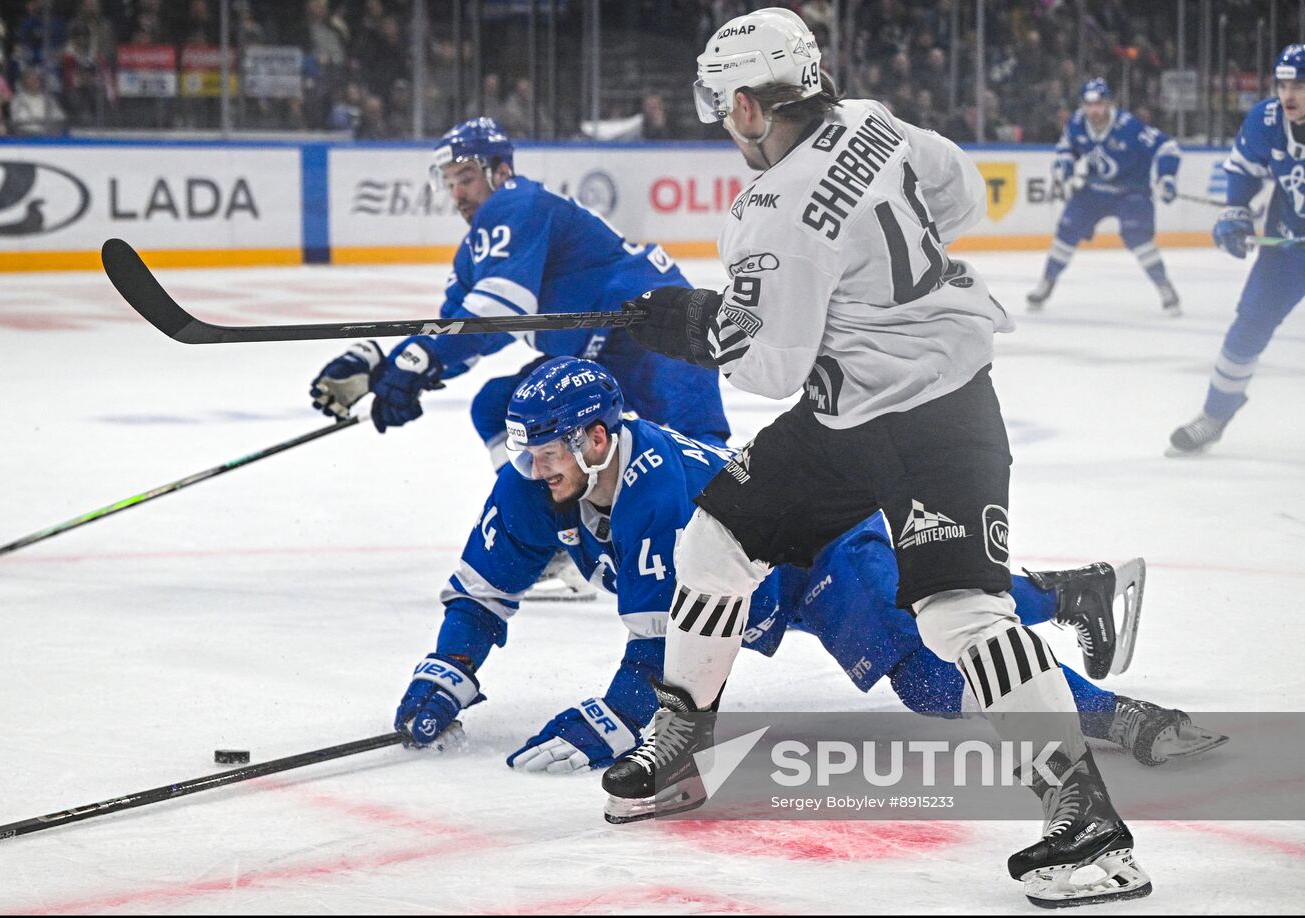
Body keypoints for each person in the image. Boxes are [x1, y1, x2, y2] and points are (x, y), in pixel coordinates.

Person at [607, 9, 1150, 907]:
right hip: (852, 413)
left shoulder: (770, 212)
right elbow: (963, 197)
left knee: (961, 615)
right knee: (718, 538)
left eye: (721, 105)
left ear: (746, 105)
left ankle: (1087, 823)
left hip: (931, 420)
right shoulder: (871, 120)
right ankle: (683, 744)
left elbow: (772, 367)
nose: (724, 124)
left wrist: (698, 324)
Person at [392, 358, 1224, 777]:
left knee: (931, 674)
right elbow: (480, 595)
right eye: (526, 454)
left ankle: (1123, 717)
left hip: (820, 551)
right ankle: (1074, 592)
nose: (532, 471)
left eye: (545, 454)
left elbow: (659, 657)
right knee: (938, 607)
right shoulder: (536, 484)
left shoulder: (653, 490)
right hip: (756, 582)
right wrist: (446, 674)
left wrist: (609, 723)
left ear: (596, 439)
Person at [308, 117, 729, 462]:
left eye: (466, 178)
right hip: (598, 358)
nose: (457, 193)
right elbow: (459, 335)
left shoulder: (516, 202)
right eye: (449, 182)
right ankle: (551, 526)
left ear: (501, 171)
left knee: (699, 455)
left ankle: (731, 535)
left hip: (655, 334)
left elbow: (497, 309)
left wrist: (417, 363)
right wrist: (385, 368)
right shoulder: (475, 254)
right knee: (496, 407)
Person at [1167, 45, 1305, 456]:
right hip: (1287, 247)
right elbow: (1245, 172)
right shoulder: (1267, 120)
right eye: (1283, 85)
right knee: (1249, 327)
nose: (1289, 95)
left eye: (1299, 85)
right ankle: (1215, 415)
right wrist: (1236, 213)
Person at [1026, 78, 1183, 316]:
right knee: (1067, 230)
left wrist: (1166, 177)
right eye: (1089, 105)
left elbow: (1167, 147)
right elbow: (1066, 149)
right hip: (1094, 191)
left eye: (1099, 104)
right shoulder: (1077, 123)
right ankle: (1046, 283)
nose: (1094, 110)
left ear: (1109, 104)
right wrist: (1064, 170)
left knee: (1137, 237)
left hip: (1132, 192)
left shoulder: (1129, 127)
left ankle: (1164, 286)